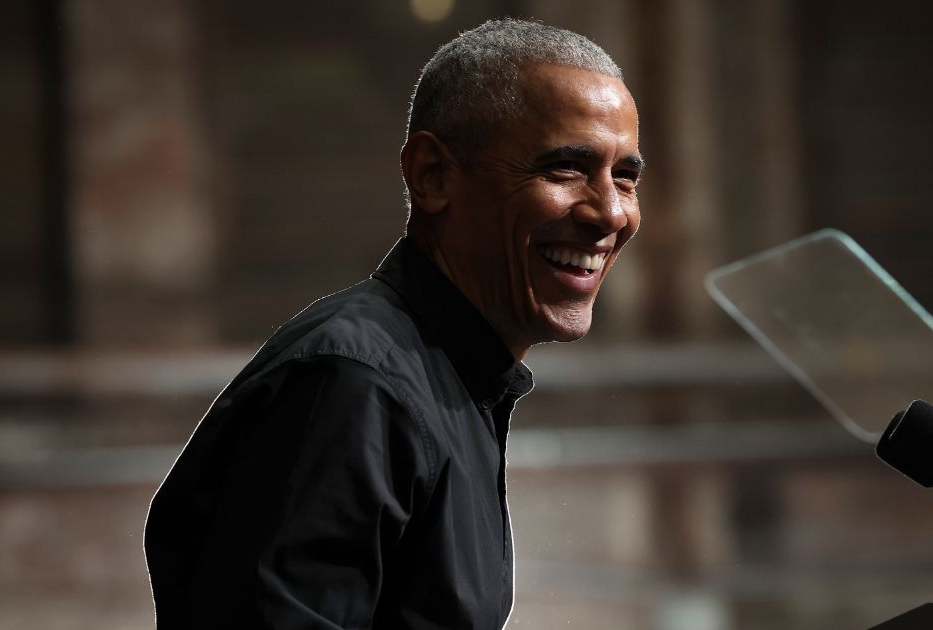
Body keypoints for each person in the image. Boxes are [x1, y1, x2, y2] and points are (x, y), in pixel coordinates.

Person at [144, 17, 643, 629]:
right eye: (565, 168)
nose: (610, 212)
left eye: (625, 176)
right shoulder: (356, 385)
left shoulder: (447, 378)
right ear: (432, 175)